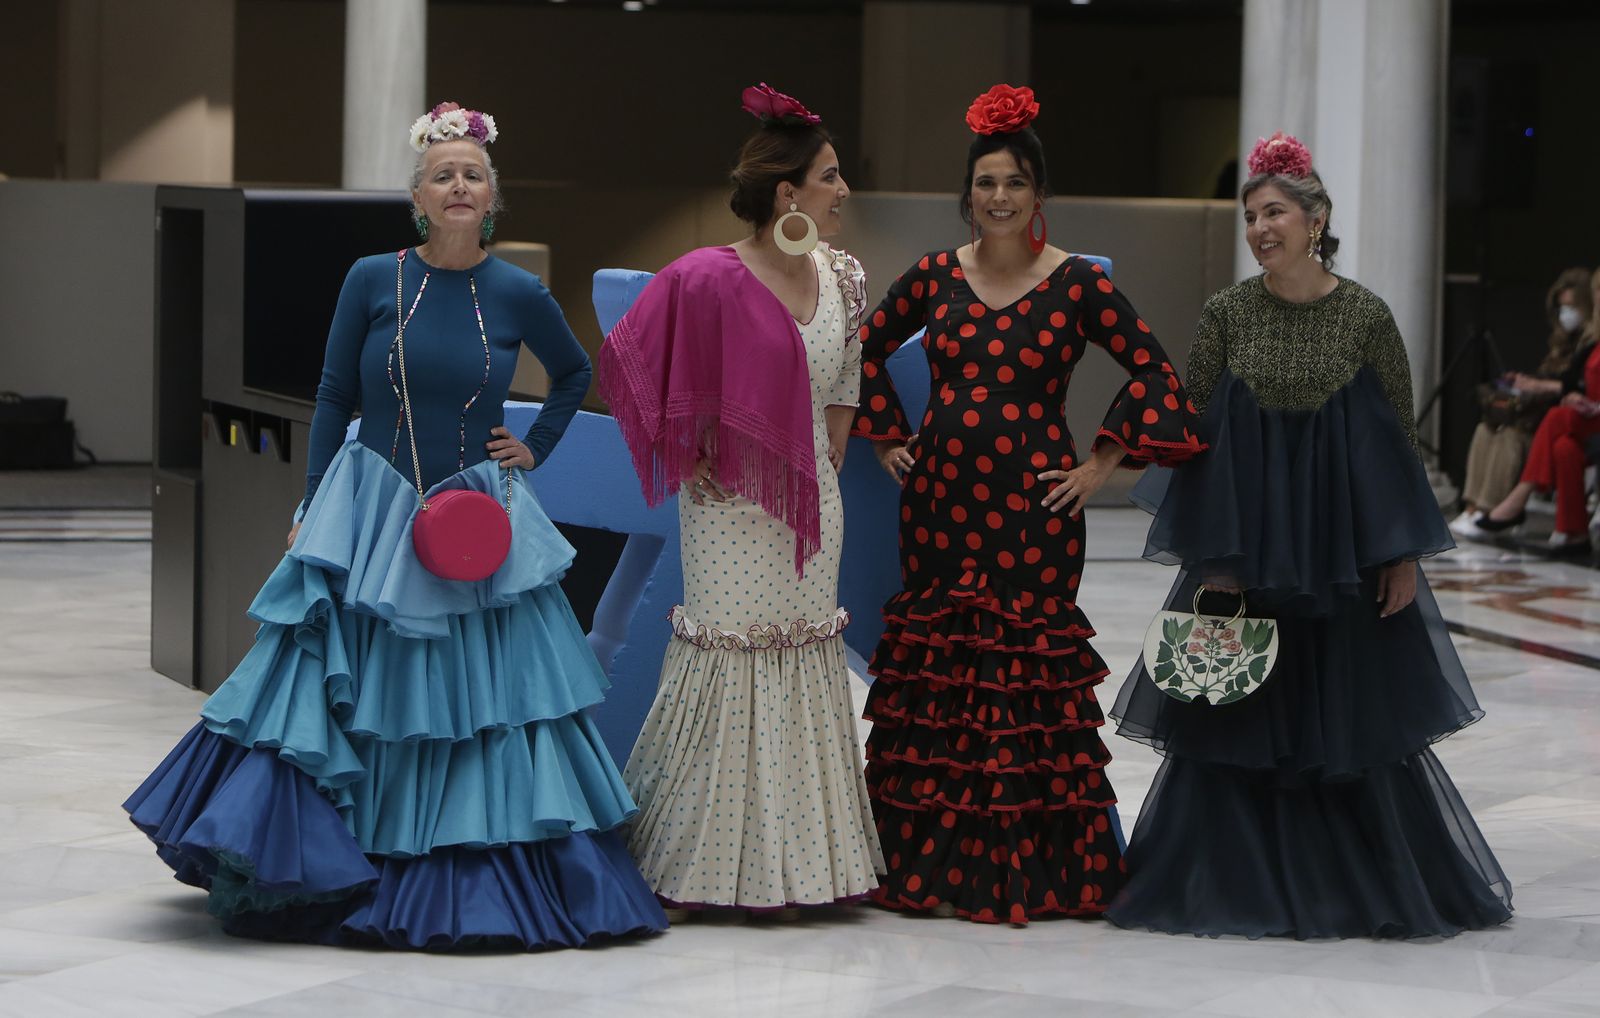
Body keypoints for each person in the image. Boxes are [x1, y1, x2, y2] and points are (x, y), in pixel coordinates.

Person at [124, 102, 667, 949]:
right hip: (370, 505)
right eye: (443, 173)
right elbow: (336, 391)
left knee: (479, 703)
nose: (459, 185)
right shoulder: (373, 277)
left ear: (494, 199)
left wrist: (535, 450)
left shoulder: (519, 291)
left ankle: (465, 868)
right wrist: (309, 504)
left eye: (473, 175)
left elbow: (574, 375)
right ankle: (326, 864)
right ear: (419, 194)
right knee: (344, 684)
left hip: (476, 521)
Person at [1107, 132, 1512, 939]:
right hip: (1246, 548)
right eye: (1252, 216)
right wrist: (1213, 558)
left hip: (1339, 557)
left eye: (1276, 213)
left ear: (1316, 219)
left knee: (1343, 714)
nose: (1261, 228)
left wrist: (1400, 553)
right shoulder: (1227, 313)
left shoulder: (1365, 315)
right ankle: (1240, 879)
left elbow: (1395, 441)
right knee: (1243, 712)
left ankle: (1350, 885)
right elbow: (1196, 436)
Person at [851, 84, 1206, 925]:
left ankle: (1032, 868)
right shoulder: (936, 275)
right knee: (940, 672)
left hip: (1036, 513)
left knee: (1023, 675)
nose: (999, 197)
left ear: (1037, 195)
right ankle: (923, 866)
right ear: (967, 196)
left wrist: (1101, 465)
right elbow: (858, 348)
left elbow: (1157, 373)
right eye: (985, 184)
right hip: (938, 506)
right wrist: (884, 436)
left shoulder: (1077, 284)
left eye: (1014, 183)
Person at [599, 84, 883, 919]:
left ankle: (801, 866)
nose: (842, 192)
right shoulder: (705, 277)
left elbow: (851, 368)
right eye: (830, 176)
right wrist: (697, 448)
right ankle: (706, 862)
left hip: (812, 506)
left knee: (803, 653)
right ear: (788, 191)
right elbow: (633, 363)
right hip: (726, 509)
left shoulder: (843, 274)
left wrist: (828, 443)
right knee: (731, 655)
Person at [1450, 267, 1593, 535]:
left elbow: (1577, 389)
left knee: (1511, 438)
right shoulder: (1561, 345)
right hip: (1539, 418)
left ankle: (1492, 508)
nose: (1566, 315)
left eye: (1572, 307)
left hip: (1556, 423)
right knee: (1486, 429)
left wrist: (1540, 387)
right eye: (1562, 307)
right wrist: (1524, 385)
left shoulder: (1588, 348)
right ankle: (1472, 508)